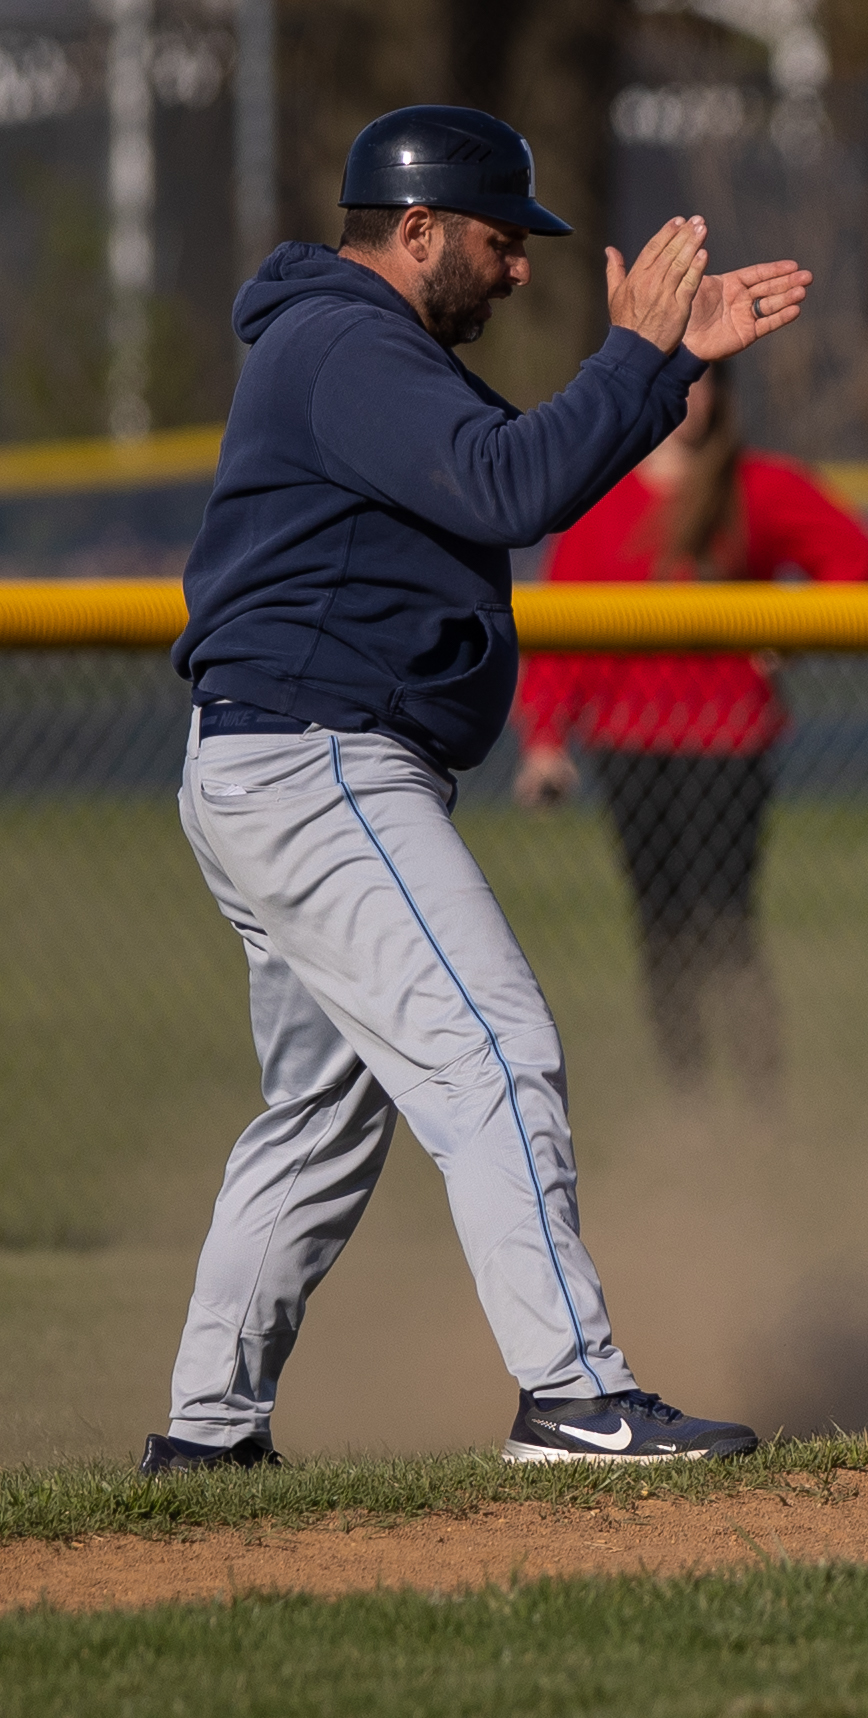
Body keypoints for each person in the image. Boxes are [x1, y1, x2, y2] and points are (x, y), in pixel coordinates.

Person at [151, 105, 812, 1474]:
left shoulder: (353, 344)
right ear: (417, 231)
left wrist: (665, 363)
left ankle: (207, 1437)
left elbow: (536, 471)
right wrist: (637, 350)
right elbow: (514, 486)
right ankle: (573, 1394)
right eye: (500, 243)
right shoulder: (349, 342)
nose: (518, 271)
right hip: (320, 756)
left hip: (281, 757)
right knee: (495, 1048)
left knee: (322, 1115)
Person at [513, 364, 868, 1096]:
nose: (694, 397)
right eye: (680, 378)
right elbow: (562, 633)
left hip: (727, 741)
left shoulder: (755, 487)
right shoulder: (601, 495)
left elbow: (856, 555)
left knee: (723, 924)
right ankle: (688, 1101)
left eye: (707, 381)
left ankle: (758, 1099)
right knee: (661, 928)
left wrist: (794, 628)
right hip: (629, 743)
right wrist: (546, 741)